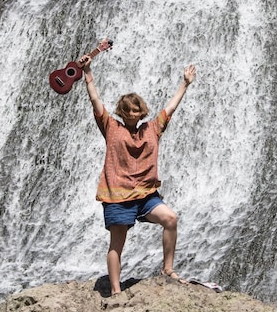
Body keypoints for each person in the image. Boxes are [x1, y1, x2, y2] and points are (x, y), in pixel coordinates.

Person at [79, 54, 197, 296]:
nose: (132, 113)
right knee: (116, 244)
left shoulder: (153, 128)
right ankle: (115, 291)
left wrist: (185, 83)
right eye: (128, 110)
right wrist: (88, 73)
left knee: (170, 219)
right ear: (121, 112)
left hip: (145, 195)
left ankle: (168, 269)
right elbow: (95, 100)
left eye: (136, 110)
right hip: (118, 196)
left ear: (142, 112)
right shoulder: (111, 128)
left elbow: (171, 107)